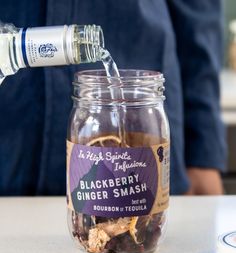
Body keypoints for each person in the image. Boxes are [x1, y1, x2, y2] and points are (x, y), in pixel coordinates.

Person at [0, 0, 226, 196]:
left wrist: (203, 152)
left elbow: (199, 13)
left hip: (144, 102)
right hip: (11, 130)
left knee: (143, 231)